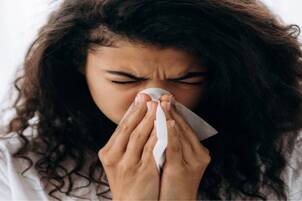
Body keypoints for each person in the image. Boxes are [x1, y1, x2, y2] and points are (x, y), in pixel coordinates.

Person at [0, 0, 302, 200]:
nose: (156, 100)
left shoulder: (290, 156)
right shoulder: (13, 169)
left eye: (187, 79)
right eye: (125, 80)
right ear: (78, 66)